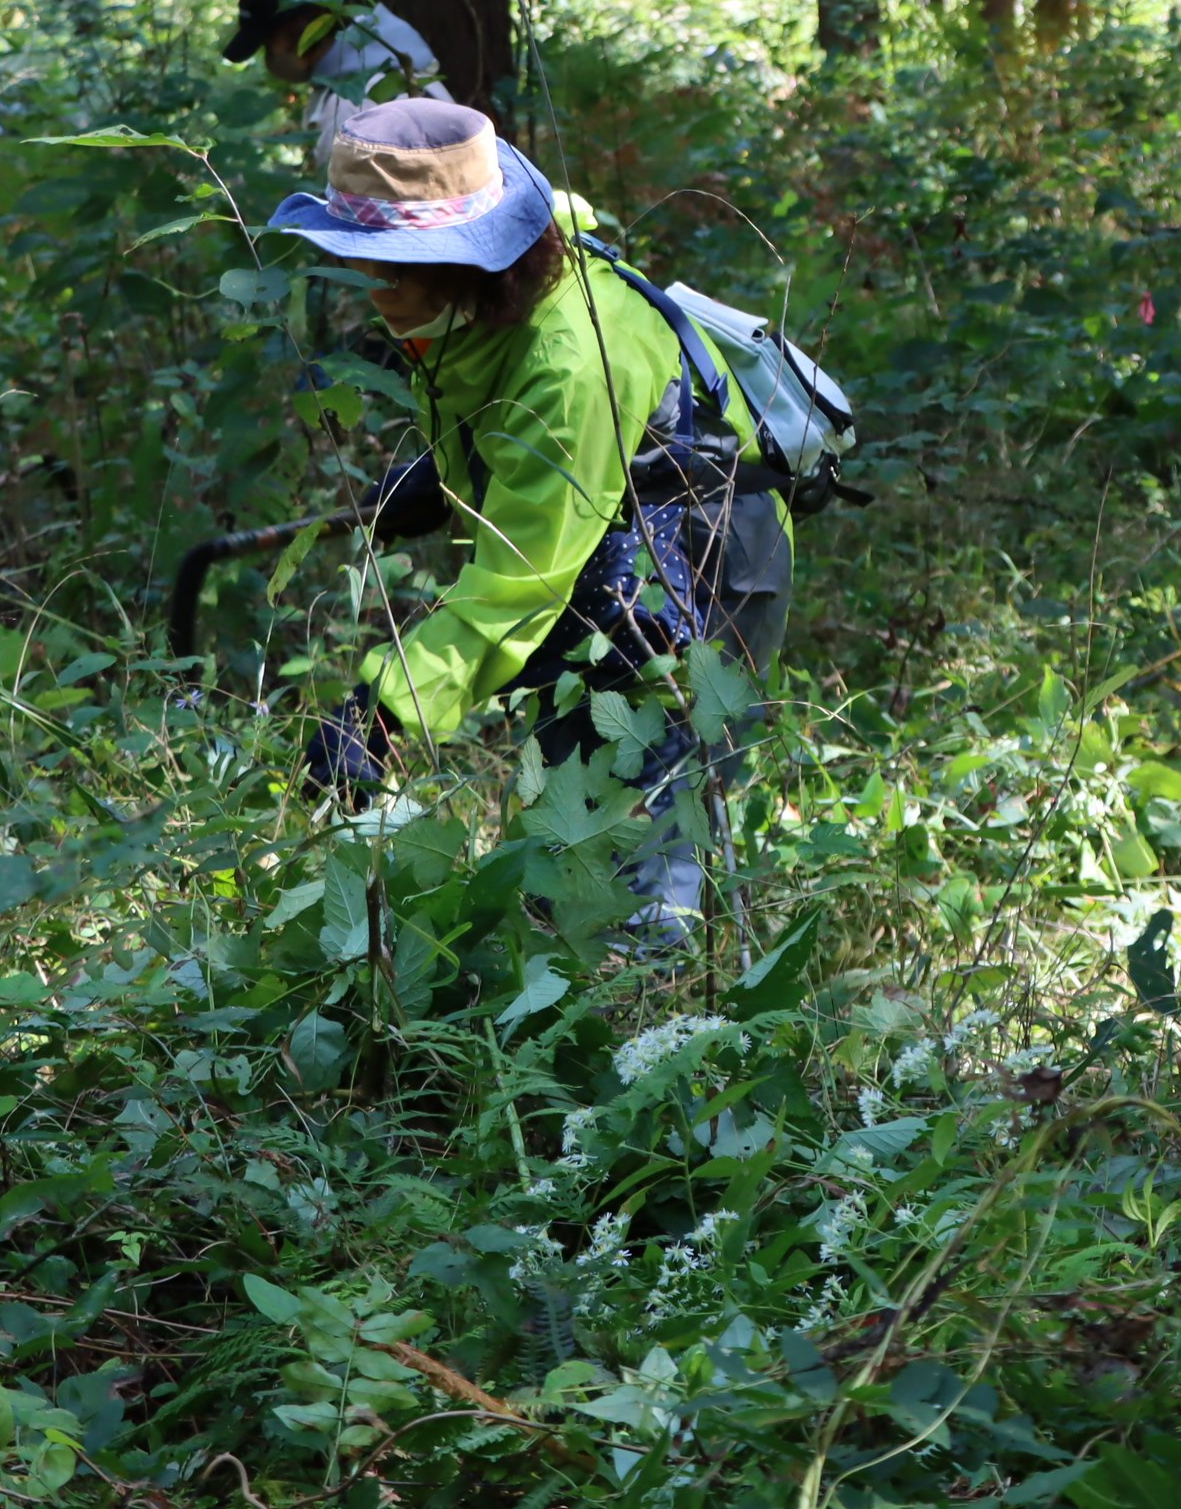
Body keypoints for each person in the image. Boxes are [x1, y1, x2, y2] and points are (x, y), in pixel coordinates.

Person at [265, 100, 790, 936]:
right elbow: (516, 433)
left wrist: (387, 705)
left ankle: (669, 1016)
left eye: (394, 269)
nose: (374, 290)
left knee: (630, 859)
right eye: (363, 263)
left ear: (467, 261)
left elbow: (522, 579)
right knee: (567, 835)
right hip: (598, 567)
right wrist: (447, 473)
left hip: (696, 574)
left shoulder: (572, 358)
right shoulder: (483, 310)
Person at [219, 0, 454, 158]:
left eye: (269, 45)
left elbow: (347, 207)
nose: (270, 59)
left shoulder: (350, 107)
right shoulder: (408, 71)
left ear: (302, 27)